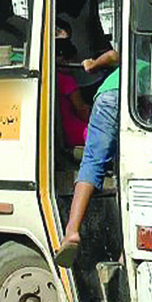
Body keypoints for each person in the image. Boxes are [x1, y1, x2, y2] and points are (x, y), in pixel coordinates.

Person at [55, 47, 119, 268]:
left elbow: (114, 55)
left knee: (93, 161)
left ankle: (72, 231)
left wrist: (93, 64)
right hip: (137, 96)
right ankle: (125, 249)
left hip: (113, 94)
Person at [56, 25, 89, 148]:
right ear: (66, 60)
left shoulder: (54, 77)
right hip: (74, 131)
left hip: (61, 131)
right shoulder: (68, 81)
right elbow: (81, 110)